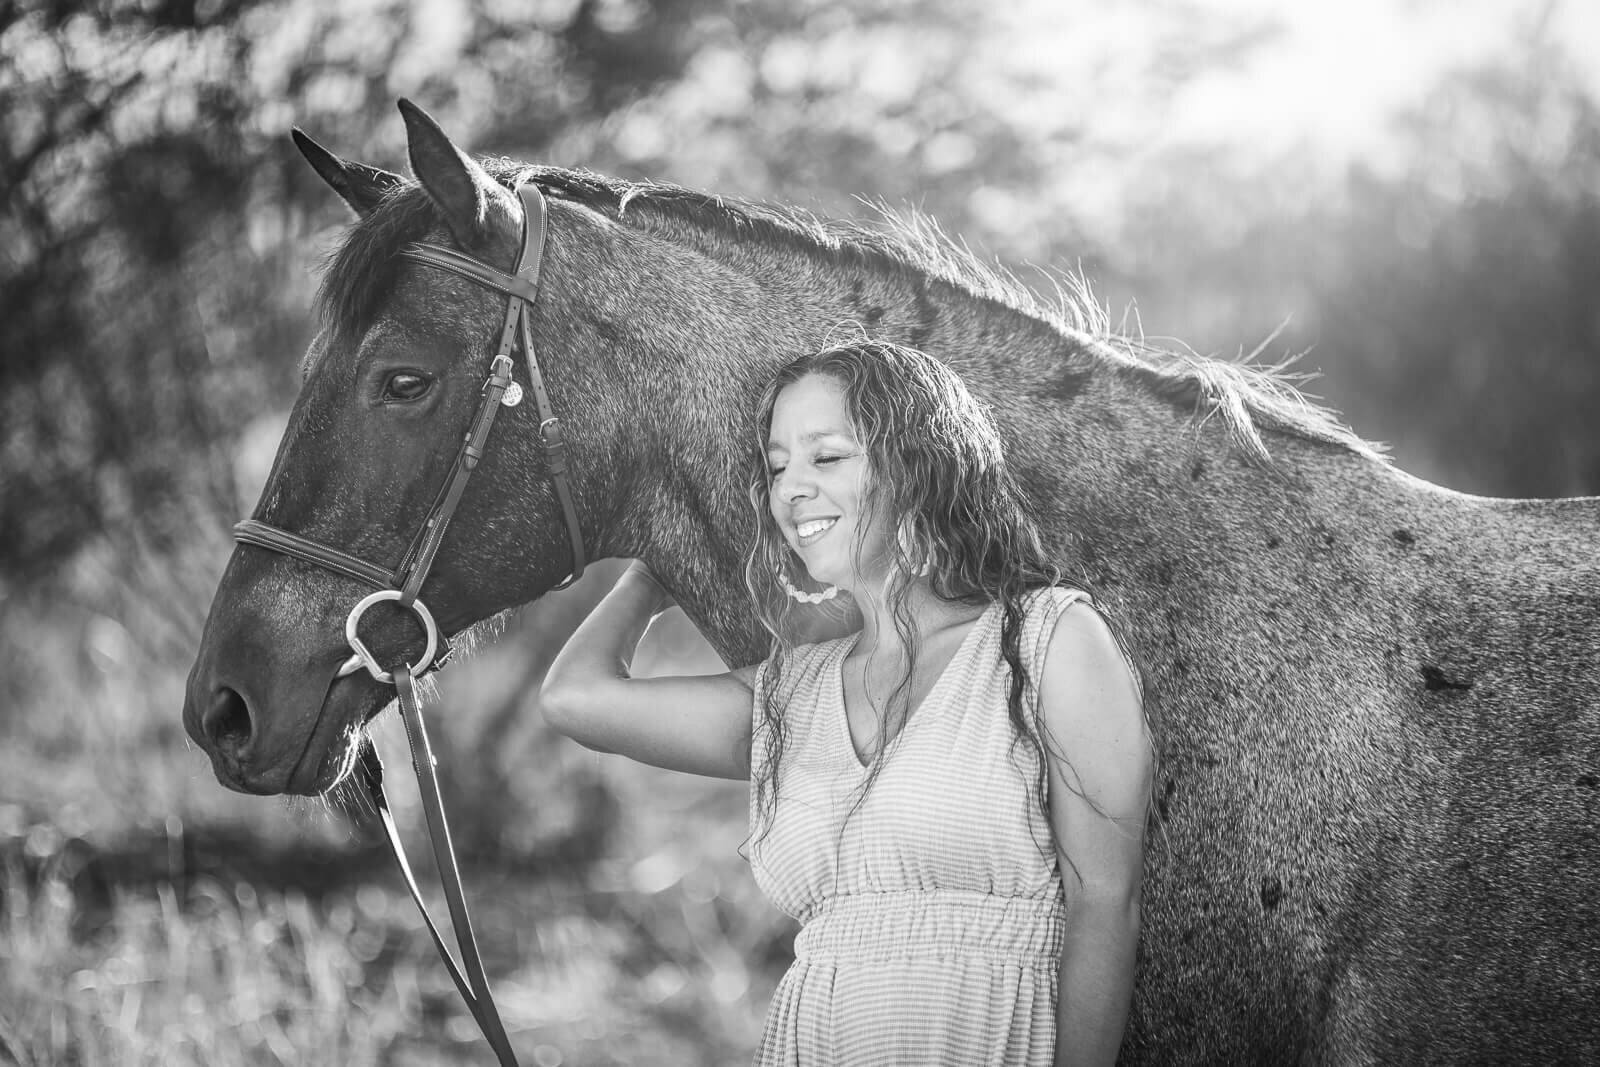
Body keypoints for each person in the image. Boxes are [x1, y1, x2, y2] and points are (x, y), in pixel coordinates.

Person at [541, 340, 1152, 1066]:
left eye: (826, 457)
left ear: (919, 466)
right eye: (776, 467)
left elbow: (1106, 904)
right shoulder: (789, 691)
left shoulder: (1048, 640)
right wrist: (656, 563)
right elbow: (576, 697)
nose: (791, 488)